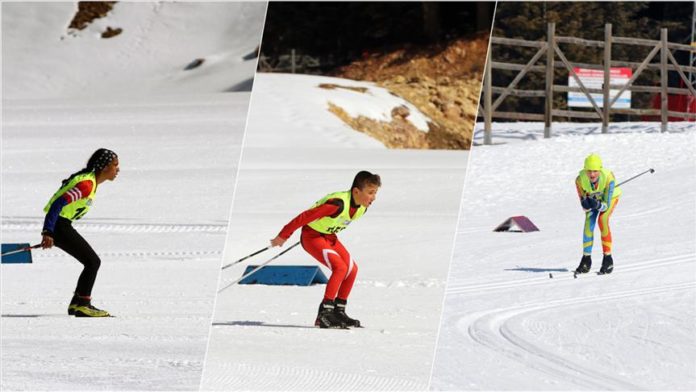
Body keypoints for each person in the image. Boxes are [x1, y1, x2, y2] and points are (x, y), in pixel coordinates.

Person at [270, 171, 381, 329]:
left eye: (375, 193)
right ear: (356, 191)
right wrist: (283, 235)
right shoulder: (337, 204)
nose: (373, 198)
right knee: (340, 267)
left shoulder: (362, 208)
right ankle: (324, 313)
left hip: (329, 237)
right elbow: (304, 217)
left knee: (352, 269)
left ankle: (338, 311)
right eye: (370, 193)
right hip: (312, 237)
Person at [41, 148, 120, 317]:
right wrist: (48, 231)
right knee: (93, 262)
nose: (118, 169)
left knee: (90, 262)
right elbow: (57, 205)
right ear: (104, 167)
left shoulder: (90, 181)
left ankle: (77, 304)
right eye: (115, 165)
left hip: (61, 225)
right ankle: (83, 304)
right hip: (59, 226)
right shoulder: (86, 184)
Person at [574, 153, 621, 275]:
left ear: (600, 170)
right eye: (589, 171)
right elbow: (584, 204)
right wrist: (586, 204)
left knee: (602, 219)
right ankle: (586, 259)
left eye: (595, 171)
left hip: (610, 198)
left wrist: (598, 205)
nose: (592, 174)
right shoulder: (579, 180)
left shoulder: (609, 178)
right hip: (595, 199)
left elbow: (606, 203)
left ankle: (608, 258)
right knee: (589, 222)